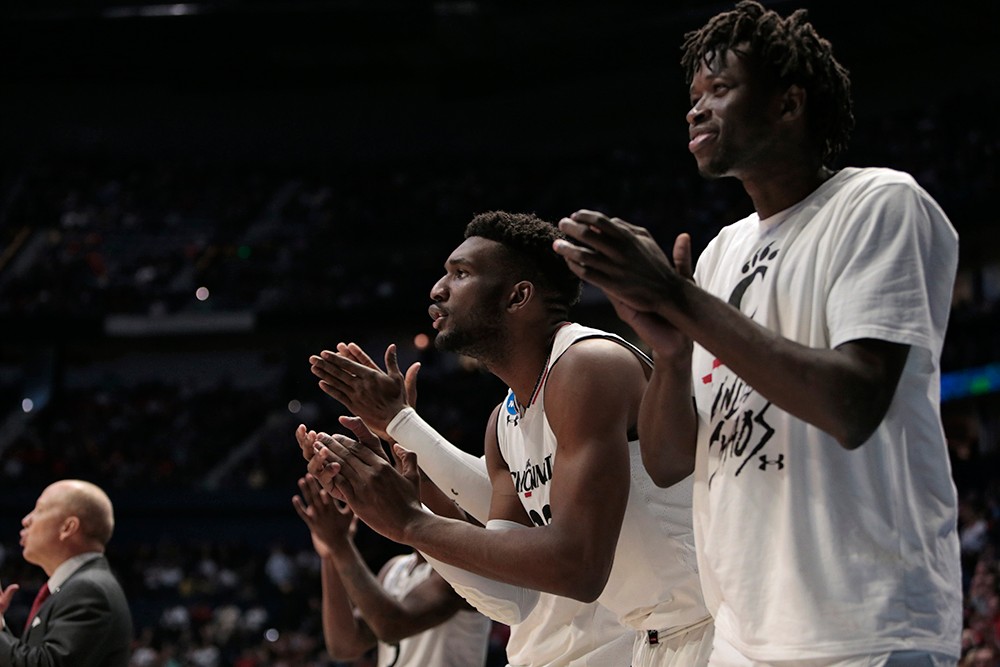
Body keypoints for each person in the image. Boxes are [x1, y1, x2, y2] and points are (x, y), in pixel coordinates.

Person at [550, 2, 962, 665]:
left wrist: (677, 296)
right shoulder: (720, 254)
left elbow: (850, 406)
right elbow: (670, 459)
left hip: (868, 626)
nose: (696, 109)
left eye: (720, 89)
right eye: (693, 96)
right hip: (742, 636)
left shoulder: (880, 205)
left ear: (788, 105)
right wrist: (671, 349)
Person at [305, 211, 713, 666]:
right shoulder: (505, 421)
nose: (438, 289)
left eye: (461, 274)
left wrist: (410, 523)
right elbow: (513, 600)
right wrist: (400, 440)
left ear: (518, 296)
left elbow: (578, 567)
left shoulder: (588, 365)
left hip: (712, 624)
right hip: (655, 641)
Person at [292, 459, 491, 667]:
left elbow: (392, 626)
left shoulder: (462, 571)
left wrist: (340, 545)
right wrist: (331, 553)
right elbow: (345, 646)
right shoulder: (395, 569)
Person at [0, 479, 133, 667]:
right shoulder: (76, 587)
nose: (26, 520)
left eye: (38, 510)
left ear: (68, 527)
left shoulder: (88, 589)